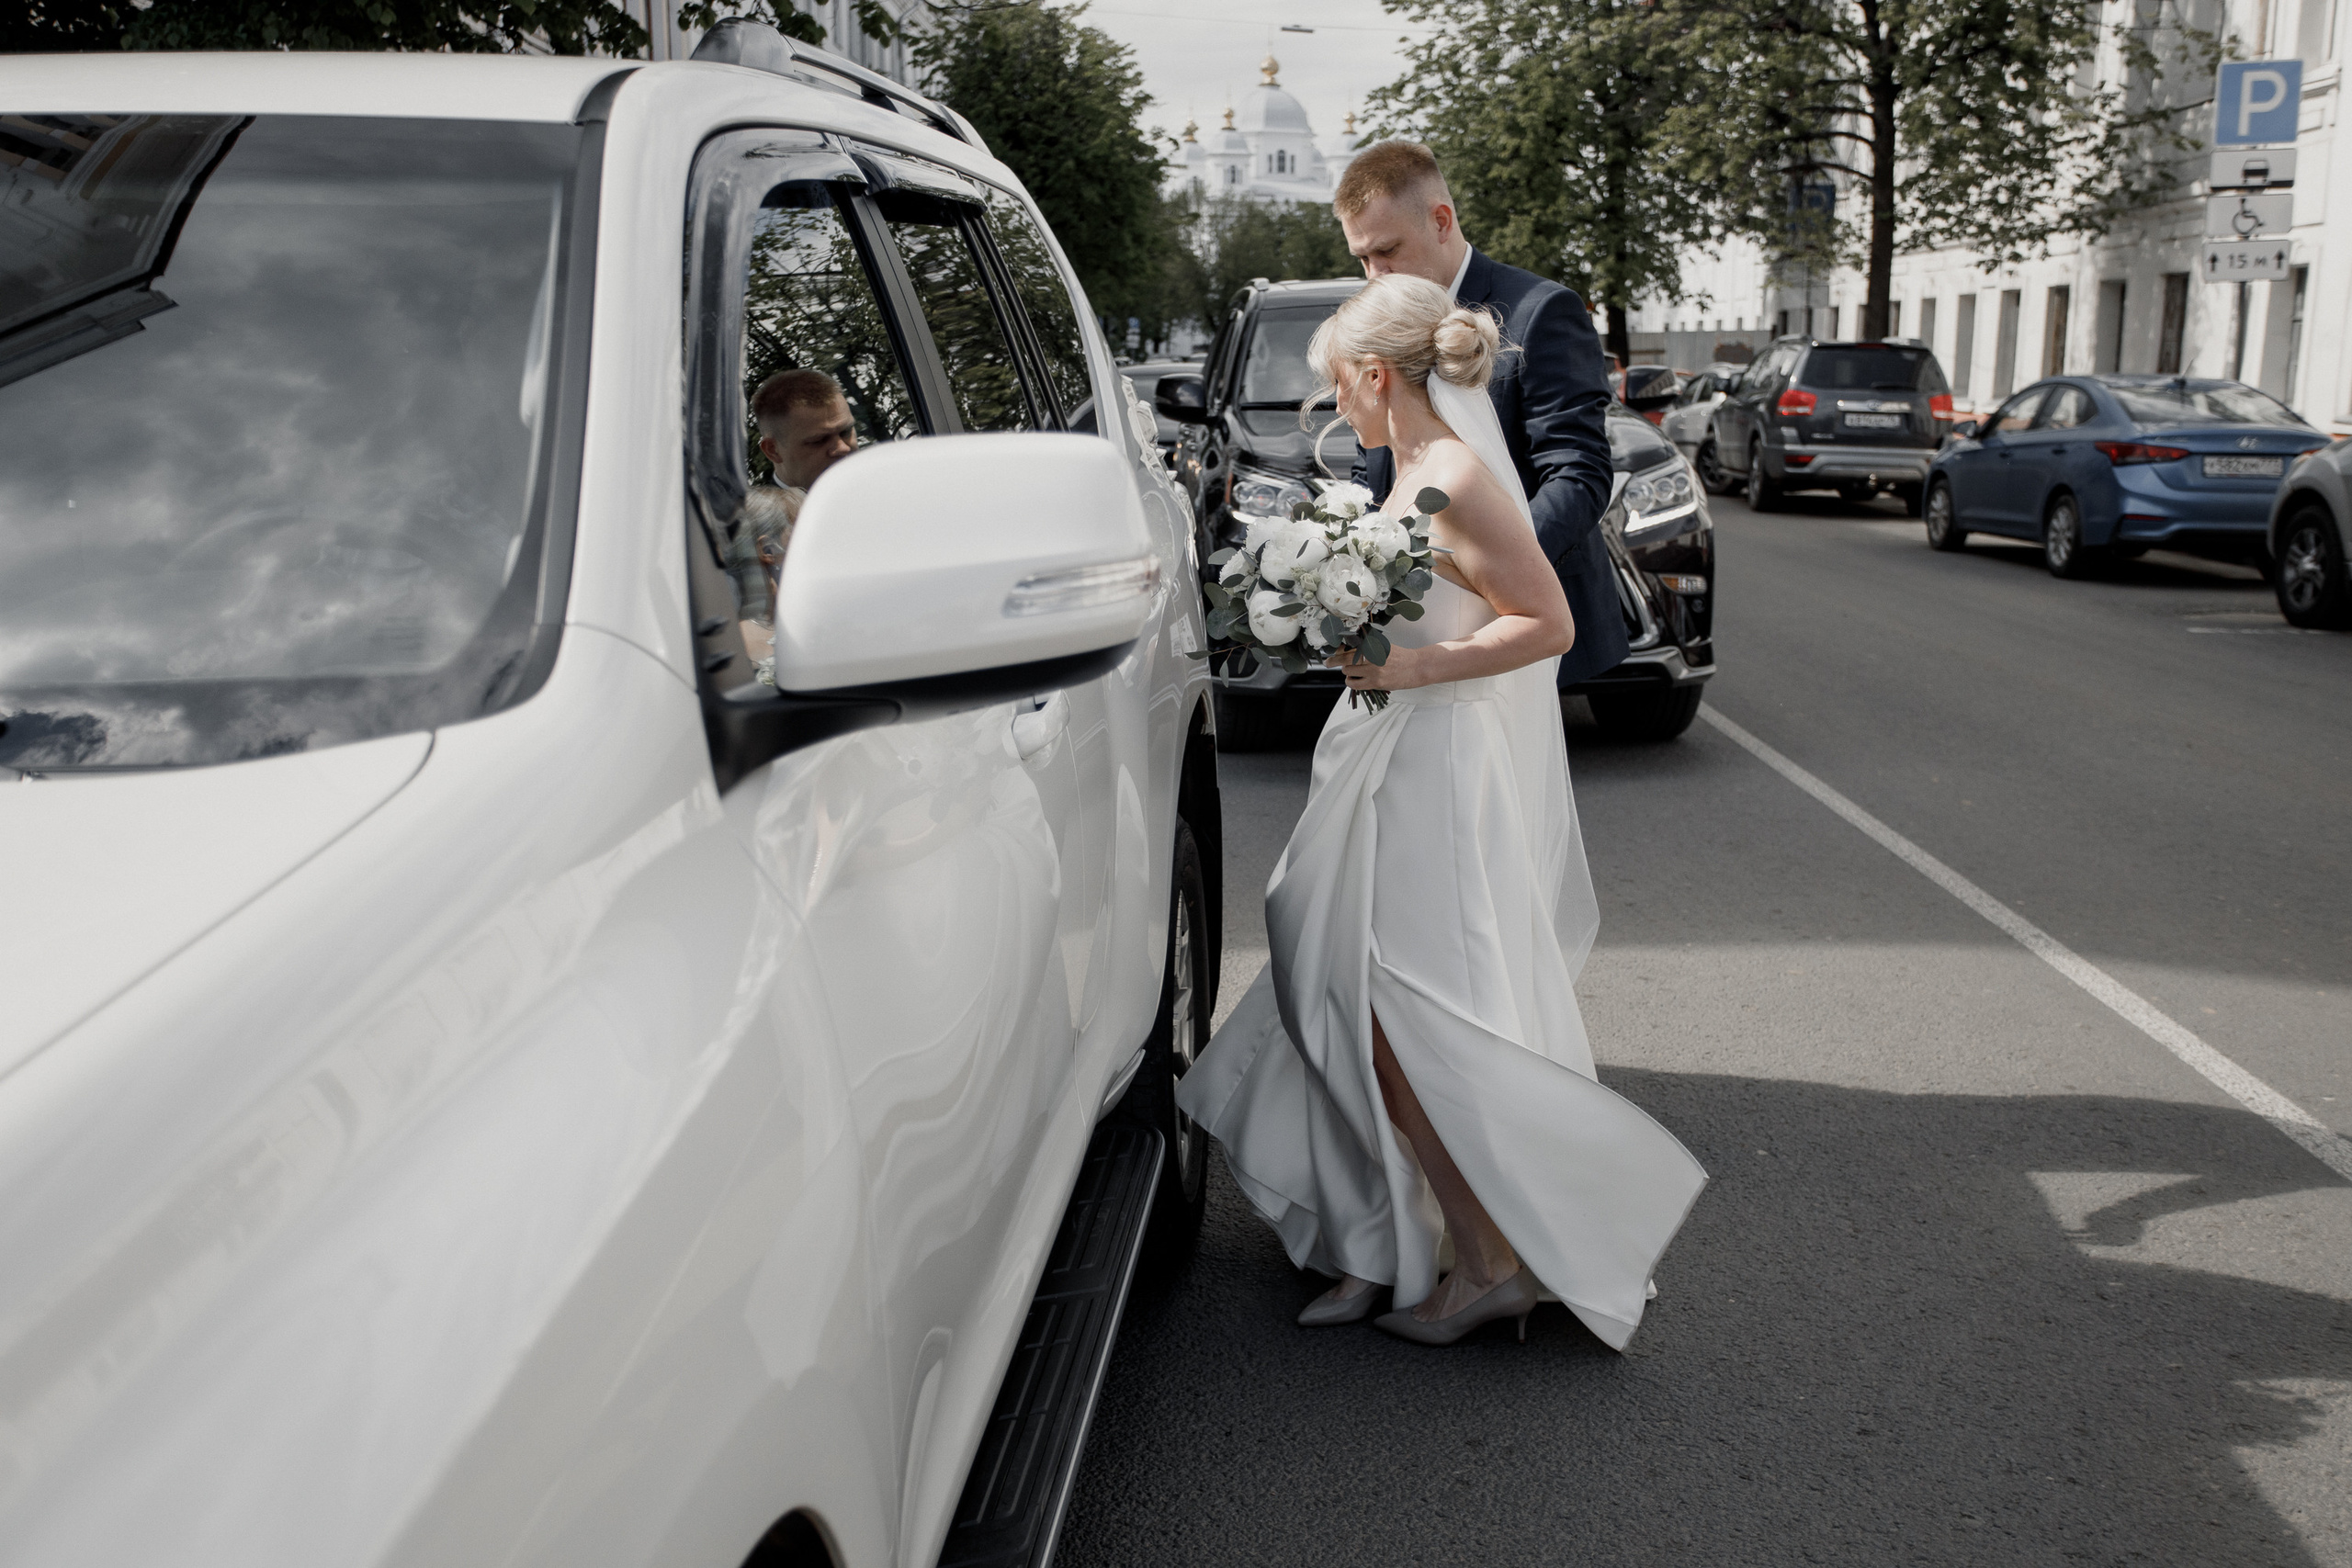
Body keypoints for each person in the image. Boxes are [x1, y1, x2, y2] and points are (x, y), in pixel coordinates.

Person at [1174, 275, 1705, 1349]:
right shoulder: (1407, 471)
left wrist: (1413, 667)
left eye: (1337, 385)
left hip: (1436, 764)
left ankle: (1483, 1256)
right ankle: (1383, 1238)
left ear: (1377, 375)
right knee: (1326, 977)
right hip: (1379, 748)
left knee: (1399, 1010)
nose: (1332, 407)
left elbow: (1546, 621)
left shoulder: (1458, 475)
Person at [1335, 141, 1630, 692]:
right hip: (1412, 627)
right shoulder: (1381, 319)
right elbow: (1374, 468)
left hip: (1518, 622)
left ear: (1441, 221)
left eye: (1387, 251)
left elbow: (1578, 473)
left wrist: (1484, 578)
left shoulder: (1541, 311)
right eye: (1363, 259)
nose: (1376, 274)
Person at [731, 368, 859, 638]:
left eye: (846, 431)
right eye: (818, 440)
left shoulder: (890, 501)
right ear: (773, 450)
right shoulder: (750, 526)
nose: (842, 447)